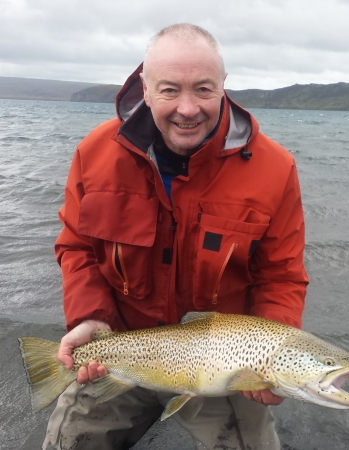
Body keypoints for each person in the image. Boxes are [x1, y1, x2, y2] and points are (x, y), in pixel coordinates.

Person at [43, 23, 308, 450]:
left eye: (203, 89)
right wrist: (89, 318)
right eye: (169, 90)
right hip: (120, 348)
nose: (188, 108)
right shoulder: (94, 154)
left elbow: (281, 275)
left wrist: (269, 361)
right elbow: (77, 247)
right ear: (145, 90)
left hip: (224, 368)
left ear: (223, 86)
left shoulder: (275, 169)